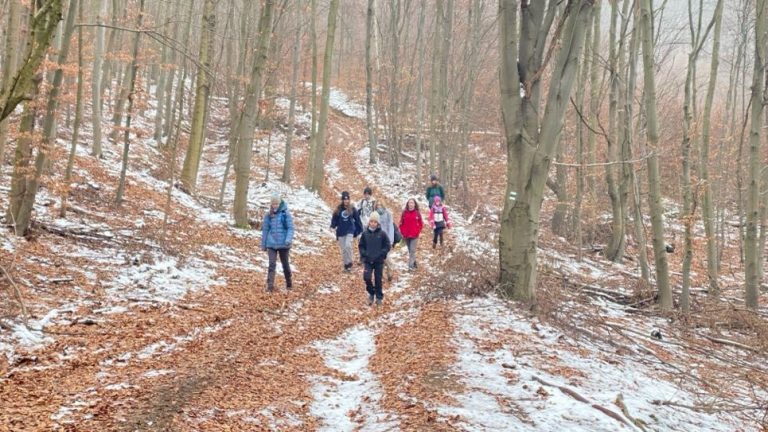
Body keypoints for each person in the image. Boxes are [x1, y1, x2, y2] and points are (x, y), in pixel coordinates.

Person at [261, 193, 294, 292]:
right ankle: (270, 286)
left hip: (284, 244)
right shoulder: (268, 215)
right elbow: (265, 229)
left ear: (280, 203)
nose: (274, 205)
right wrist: (263, 244)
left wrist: (288, 239)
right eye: (273, 203)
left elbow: (290, 228)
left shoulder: (285, 214)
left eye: (276, 203)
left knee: (285, 265)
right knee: (271, 264)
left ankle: (289, 283)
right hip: (271, 244)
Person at [359, 211, 391, 306]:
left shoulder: (382, 234)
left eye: (375, 222)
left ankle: (379, 297)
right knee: (366, 277)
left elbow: (387, 245)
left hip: (379, 261)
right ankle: (371, 292)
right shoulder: (365, 234)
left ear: (378, 223)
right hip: (368, 260)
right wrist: (364, 254)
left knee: (378, 279)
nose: (373, 224)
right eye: (371, 221)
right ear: (369, 222)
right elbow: (361, 246)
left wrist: (382, 253)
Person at [331, 191, 363, 272]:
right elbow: (334, 219)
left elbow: (357, 220)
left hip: (350, 230)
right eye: (344, 199)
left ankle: (350, 261)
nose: (346, 201)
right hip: (341, 231)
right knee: (344, 249)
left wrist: (360, 230)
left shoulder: (352, 209)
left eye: (347, 199)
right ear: (342, 200)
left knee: (348, 245)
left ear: (349, 200)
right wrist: (332, 226)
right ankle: (346, 265)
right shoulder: (338, 209)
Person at [399, 198, 424, 271]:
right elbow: (401, 223)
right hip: (406, 235)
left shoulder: (417, 213)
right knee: (410, 250)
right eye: (409, 203)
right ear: (407, 204)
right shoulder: (404, 213)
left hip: (414, 235)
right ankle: (414, 262)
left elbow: (421, 223)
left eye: (412, 203)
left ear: (414, 204)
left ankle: (410, 266)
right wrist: (402, 231)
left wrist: (417, 231)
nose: (411, 204)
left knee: (412, 250)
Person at [374, 200, 395, 282]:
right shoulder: (374, 215)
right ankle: (380, 275)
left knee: (387, 257)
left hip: (386, 238)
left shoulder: (388, 214)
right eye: (377, 205)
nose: (379, 206)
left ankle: (390, 271)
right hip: (377, 239)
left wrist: (390, 240)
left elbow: (391, 227)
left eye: (380, 204)